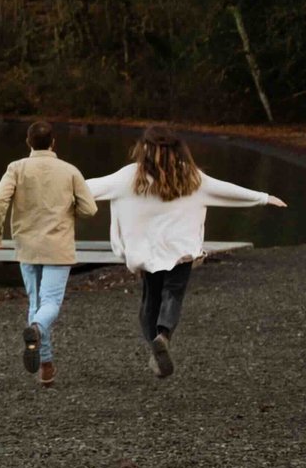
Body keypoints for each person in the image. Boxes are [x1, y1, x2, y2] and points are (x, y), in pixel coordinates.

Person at [84, 126, 286, 378]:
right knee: (173, 293)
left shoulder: (129, 177)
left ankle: (154, 348)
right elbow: (226, 189)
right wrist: (263, 197)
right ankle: (164, 334)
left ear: (144, 147)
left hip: (146, 251)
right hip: (180, 250)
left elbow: (87, 188)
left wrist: (47, 190)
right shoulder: (192, 176)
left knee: (151, 298)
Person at [0, 118, 98, 387]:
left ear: (28, 142)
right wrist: (70, 210)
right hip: (58, 246)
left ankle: (46, 366)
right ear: (54, 142)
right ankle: (38, 338)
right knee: (49, 305)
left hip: (28, 246)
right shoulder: (69, 171)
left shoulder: (16, 168)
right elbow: (90, 209)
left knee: (36, 303)